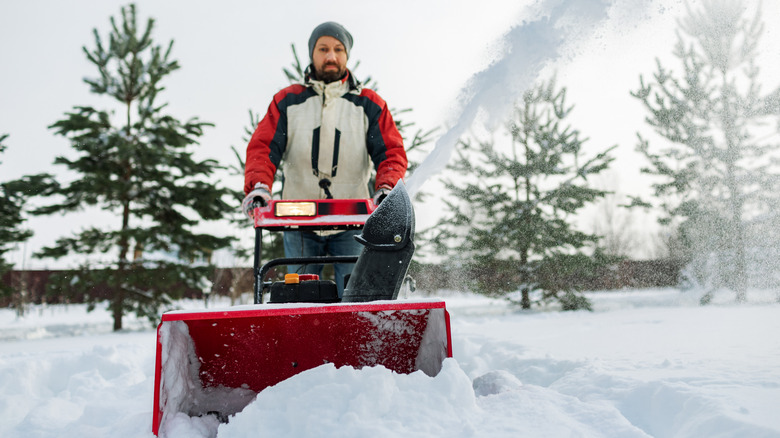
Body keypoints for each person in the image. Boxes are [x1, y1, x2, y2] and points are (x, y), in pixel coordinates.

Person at [242, 21, 408, 297]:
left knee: (357, 296)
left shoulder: (369, 104)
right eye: (323, 49)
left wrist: (387, 190)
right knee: (298, 297)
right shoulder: (288, 101)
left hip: (354, 221)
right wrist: (259, 186)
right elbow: (263, 148)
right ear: (312, 54)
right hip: (298, 221)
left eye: (338, 49)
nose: (331, 56)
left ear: (346, 55)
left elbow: (390, 153)